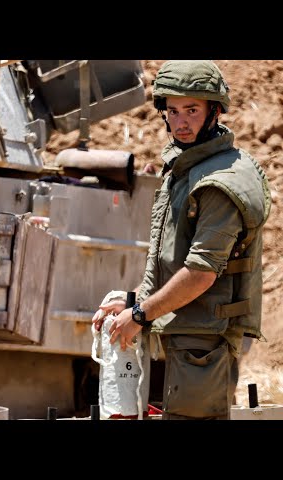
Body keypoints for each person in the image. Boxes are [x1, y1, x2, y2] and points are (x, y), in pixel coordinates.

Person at [92, 60, 271, 420]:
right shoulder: (187, 167)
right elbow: (169, 259)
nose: (181, 122)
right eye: (172, 111)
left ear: (215, 111)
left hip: (205, 344)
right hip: (185, 334)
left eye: (192, 110)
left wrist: (139, 314)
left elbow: (200, 272)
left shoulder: (221, 180)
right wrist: (134, 300)